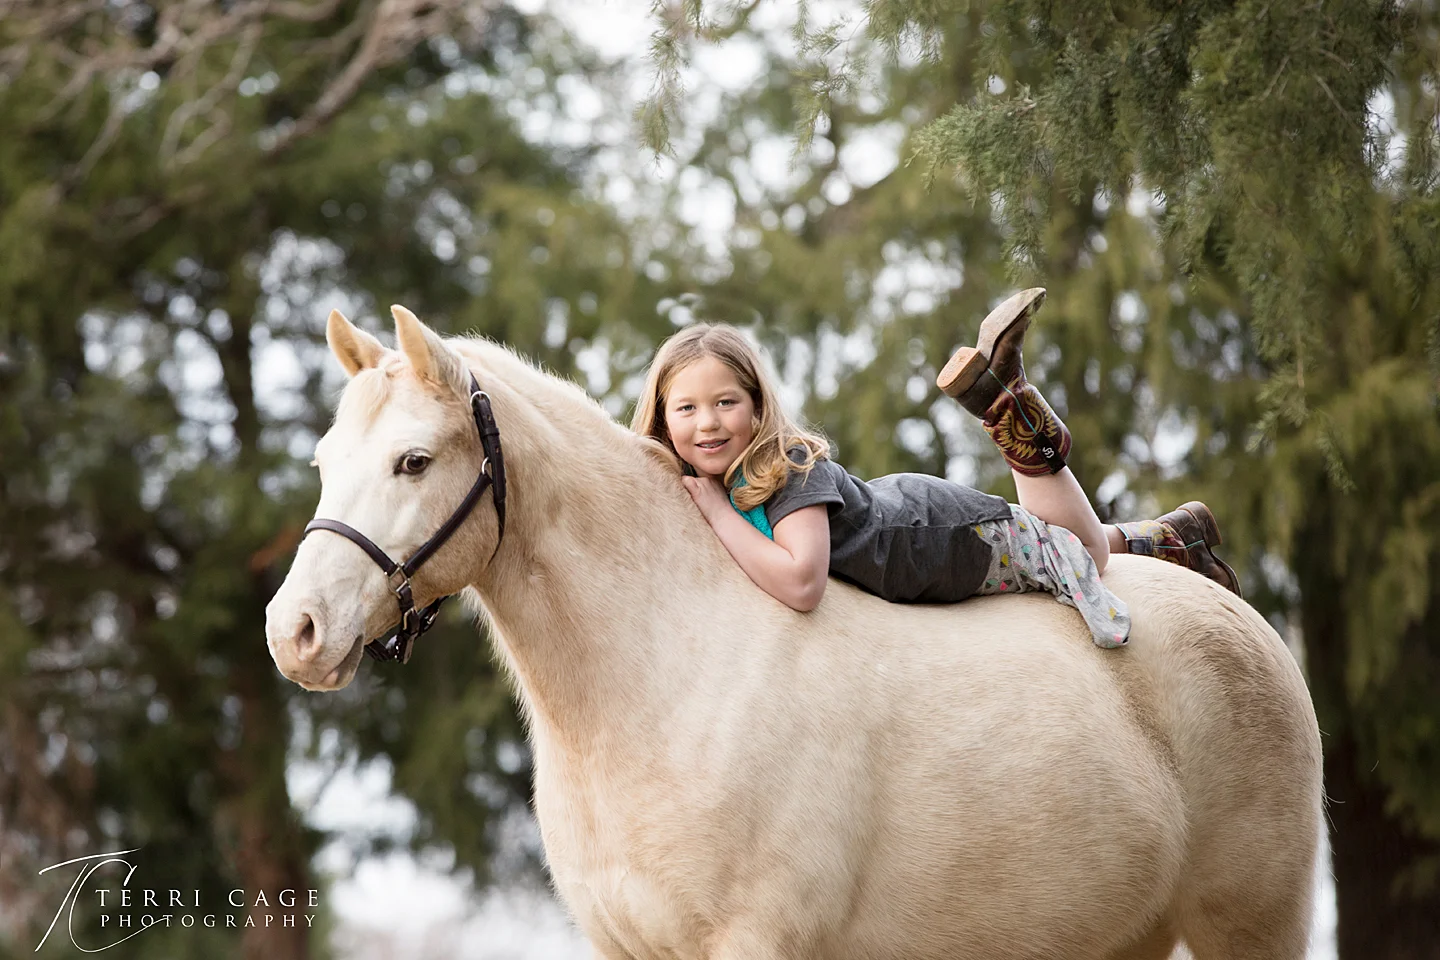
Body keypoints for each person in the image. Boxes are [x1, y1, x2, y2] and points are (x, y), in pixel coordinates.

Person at [629, 288, 1241, 648]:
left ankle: (1008, 403)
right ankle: (1171, 541)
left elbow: (801, 584)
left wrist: (712, 511)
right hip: (907, 517)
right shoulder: (727, 477)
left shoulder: (785, 464)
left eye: (725, 403)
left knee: (1081, 553)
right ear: (662, 415)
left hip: (942, 539)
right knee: (1081, 543)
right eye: (686, 408)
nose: (706, 423)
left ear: (759, 406)